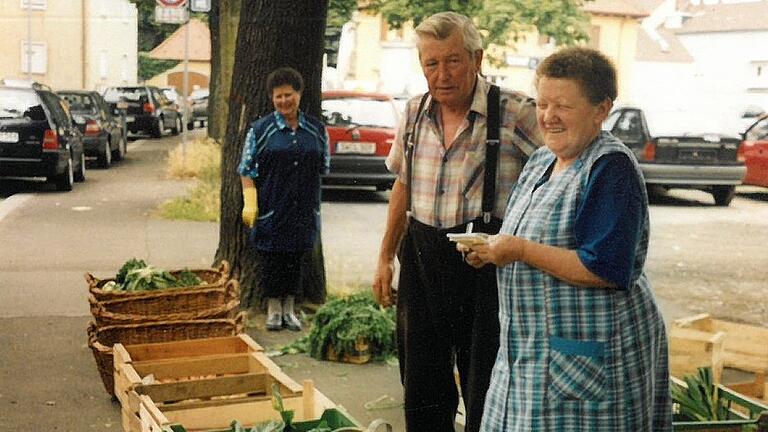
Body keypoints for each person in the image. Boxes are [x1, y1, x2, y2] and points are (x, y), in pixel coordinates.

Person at [460, 47, 672, 431]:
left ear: (601, 109)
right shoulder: (541, 161)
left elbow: (604, 267)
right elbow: (522, 237)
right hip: (530, 355)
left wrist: (519, 250)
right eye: (542, 103)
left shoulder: (611, 168)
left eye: (563, 106)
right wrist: (492, 251)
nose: (548, 116)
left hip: (588, 362)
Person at [372, 12, 542, 432]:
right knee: (421, 381)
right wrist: (384, 257)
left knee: (484, 380)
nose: (442, 74)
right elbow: (403, 186)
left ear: (477, 58)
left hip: (484, 265)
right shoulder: (414, 112)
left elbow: (559, 174)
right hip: (422, 257)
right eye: (432, 63)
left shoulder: (515, 112)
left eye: (453, 61)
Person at [238, 67, 329, 332]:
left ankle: (290, 310)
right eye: (278, 97)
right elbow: (246, 169)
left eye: (288, 95)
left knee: (296, 260)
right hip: (271, 208)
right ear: (272, 99)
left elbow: (324, 165)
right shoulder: (260, 130)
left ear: (299, 95)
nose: (284, 101)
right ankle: (273, 311)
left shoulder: (315, 129)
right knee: (272, 261)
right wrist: (250, 201)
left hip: (303, 210)